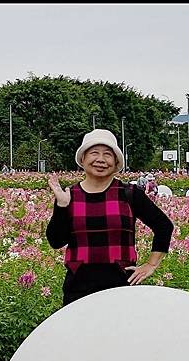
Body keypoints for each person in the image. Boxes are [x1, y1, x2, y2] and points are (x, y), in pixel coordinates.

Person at [46, 129, 174, 307]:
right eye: (94, 153)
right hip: (78, 288)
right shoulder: (69, 195)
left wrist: (151, 265)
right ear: (82, 159)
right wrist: (61, 206)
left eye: (107, 154)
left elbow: (164, 226)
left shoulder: (129, 194)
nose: (100, 159)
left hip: (120, 285)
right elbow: (56, 241)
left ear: (116, 163)